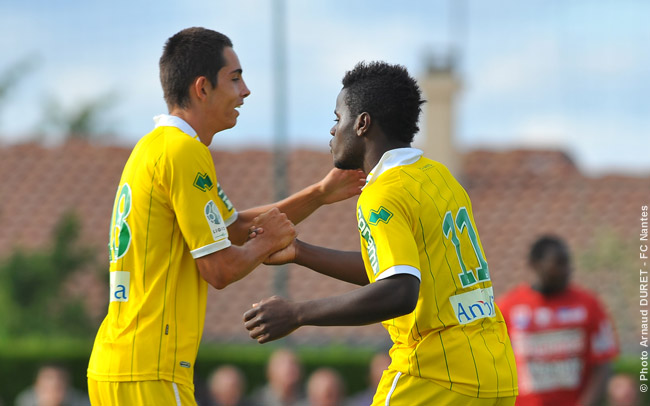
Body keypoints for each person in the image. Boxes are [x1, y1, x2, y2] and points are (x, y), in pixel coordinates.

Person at [86, 27, 364, 405]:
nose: (245, 91)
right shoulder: (184, 152)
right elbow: (218, 269)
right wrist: (269, 241)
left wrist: (319, 193)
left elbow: (233, 230)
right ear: (202, 88)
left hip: (119, 364)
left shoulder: (156, 147)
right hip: (150, 369)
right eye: (235, 78)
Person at [244, 61, 518, 406]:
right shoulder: (439, 177)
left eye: (337, 118)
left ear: (362, 123)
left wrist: (297, 314)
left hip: (434, 374)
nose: (332, 131)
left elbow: (399, 291)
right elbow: (397, 270)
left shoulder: (381, 193)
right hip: (494, 374)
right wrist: (299, 251)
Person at [498, 236, 619, 406]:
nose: (566, 270)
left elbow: (603, 364)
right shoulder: (509, 307)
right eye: (559, 263)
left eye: (568, 263)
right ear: (535, 265)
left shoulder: (589, 305)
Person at [15, 364, 89, 406]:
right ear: (36, 385)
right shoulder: (26, 400)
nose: (53, 393)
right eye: (47, 388)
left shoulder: (83, 402)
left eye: (58, 388)